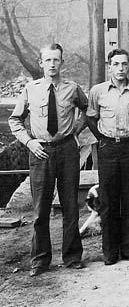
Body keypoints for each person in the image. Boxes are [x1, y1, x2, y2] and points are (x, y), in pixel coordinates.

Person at [9, 43, 87, 276]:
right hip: (40, 152)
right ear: (40, 63)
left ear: (61, 62)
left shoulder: (72, 88)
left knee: (70, 205)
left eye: (56, 60)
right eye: (48, 60)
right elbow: (15, 121)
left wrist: (75, 130)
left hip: (67, 151)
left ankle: (72, 256)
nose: (52, 64)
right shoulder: (30, 90)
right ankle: (40, 260)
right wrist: (30, 142)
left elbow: (86, 109)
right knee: (40, 208)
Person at [86, 49, 129, 265]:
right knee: (108, 201)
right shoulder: (98, 91)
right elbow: (91, 118)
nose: (121, 68)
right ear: (109, 66)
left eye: (124, 64)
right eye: (116, 64)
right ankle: (110, 252)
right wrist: (102, 137)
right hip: (108, 149)